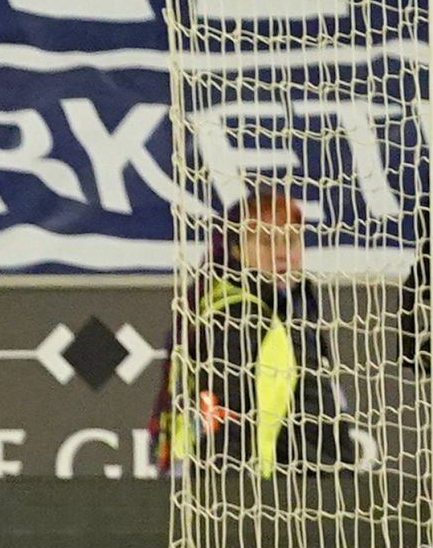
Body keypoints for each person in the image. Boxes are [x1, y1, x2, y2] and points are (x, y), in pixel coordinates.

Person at [149, 185, 359, 479]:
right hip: (275, 495)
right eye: (265, 242)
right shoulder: (235, 315)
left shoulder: (295, 308)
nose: (282, 254)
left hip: (315, 486)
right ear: (237, 249)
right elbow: (224, 417)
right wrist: (229, 500)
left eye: (291, 240)